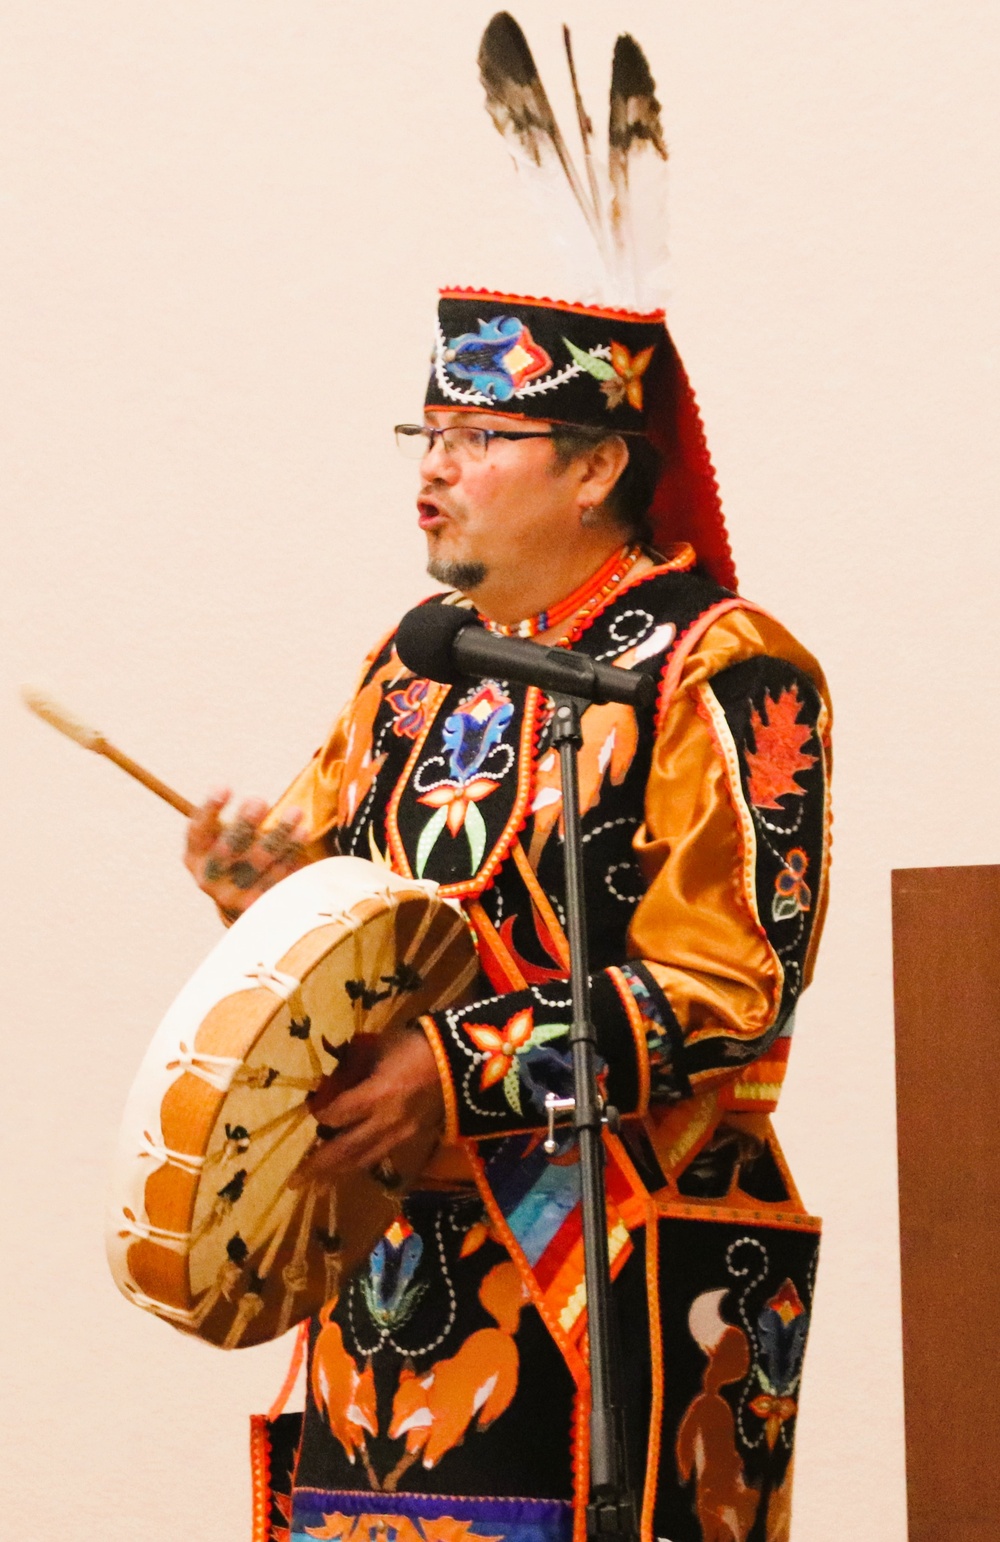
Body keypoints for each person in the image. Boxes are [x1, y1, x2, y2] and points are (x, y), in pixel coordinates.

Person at [183, 24, 831, 1542]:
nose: (434, 468)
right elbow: (339, 918)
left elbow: (732, 980)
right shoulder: (416, 665)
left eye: (481, 437)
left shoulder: (717, 667)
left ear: (600, 464)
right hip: (394, 1271)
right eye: (432, 432)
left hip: (610, 1274)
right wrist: (253, 893)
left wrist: (455, 1070)